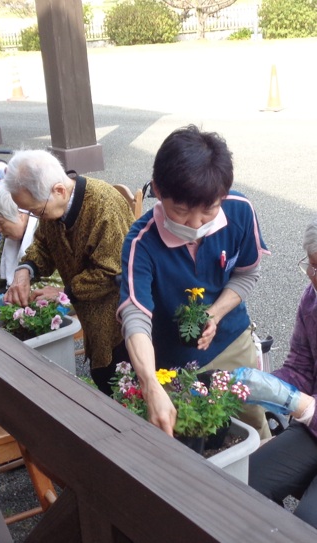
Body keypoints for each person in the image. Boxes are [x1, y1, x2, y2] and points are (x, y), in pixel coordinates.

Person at [117, 124, 271, 439]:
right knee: (191, 439)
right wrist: (150, 385)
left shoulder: (240, 211)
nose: (196, 223)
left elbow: (246, 272)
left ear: (223, 194)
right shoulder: (141, 243)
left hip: (232, 342)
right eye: (182, 211)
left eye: (209, 211)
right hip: (174, 362)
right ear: (158, 190)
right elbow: (135, 316)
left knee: (254, 428)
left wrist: (215, 313)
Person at [2, 149, 135, 394]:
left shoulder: (104, 206)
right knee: (103, 376)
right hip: (91, 317)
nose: (35, 217)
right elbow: (43, 243)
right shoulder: (52, 207)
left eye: (36, 211)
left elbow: (110, 273)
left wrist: (63, 292)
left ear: (59, 191)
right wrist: (25, 270)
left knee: (120, 384)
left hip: (120, 318)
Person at [247, 217, 317, 529]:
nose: (314, 277)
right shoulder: (312, 300)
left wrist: (304, 406)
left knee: (307, 523)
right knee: (245, 483)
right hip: (313, 428)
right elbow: (301, 366)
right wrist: (264, 385)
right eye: (312, 265)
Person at [0, 182, 63, 296]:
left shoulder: (46, 232)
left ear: (20, 215)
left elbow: (52, 286)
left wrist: (11, 297)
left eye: (0, 223)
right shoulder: (8, 238)